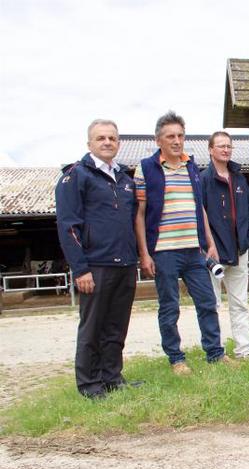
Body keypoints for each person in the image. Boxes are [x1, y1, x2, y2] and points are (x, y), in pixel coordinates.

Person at [134, 111, 233, 375]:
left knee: (207, 302)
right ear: (159, 141)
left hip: (194, 250)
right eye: (171, 137)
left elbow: (198, 206)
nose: (177, 141)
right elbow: (140, 213)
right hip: (164, 252)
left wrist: (209, 242)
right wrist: (145, 253)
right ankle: (176, 359)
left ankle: (215, 353)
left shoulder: (191, 166)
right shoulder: (145, 168)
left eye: (180, 135)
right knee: (169, 307)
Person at [55, 119, 141, 399]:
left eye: (112, 138)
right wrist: (80, 269)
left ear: (118, 143)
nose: (107, 142)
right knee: (92, 326)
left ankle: (112, 378)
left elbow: (132, 220)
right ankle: (90, 385)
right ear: (89, 143)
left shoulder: (125, 180)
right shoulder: (76, 176)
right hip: (95, 266)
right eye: (101, 138)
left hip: (125, 264)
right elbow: (68, 225)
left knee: (116, 326)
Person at [200, 131, 249, 360]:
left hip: (239, 250)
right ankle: (216, 352)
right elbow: (199, 215)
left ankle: (244, 350)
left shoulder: (239, 177)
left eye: (229, 146)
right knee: (211, 304)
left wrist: (247, 237)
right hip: (215, 252)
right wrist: (207, 247)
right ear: (211, 150)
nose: (226, 150)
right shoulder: (204, 180)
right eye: (221, 146)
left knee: (240, 303)